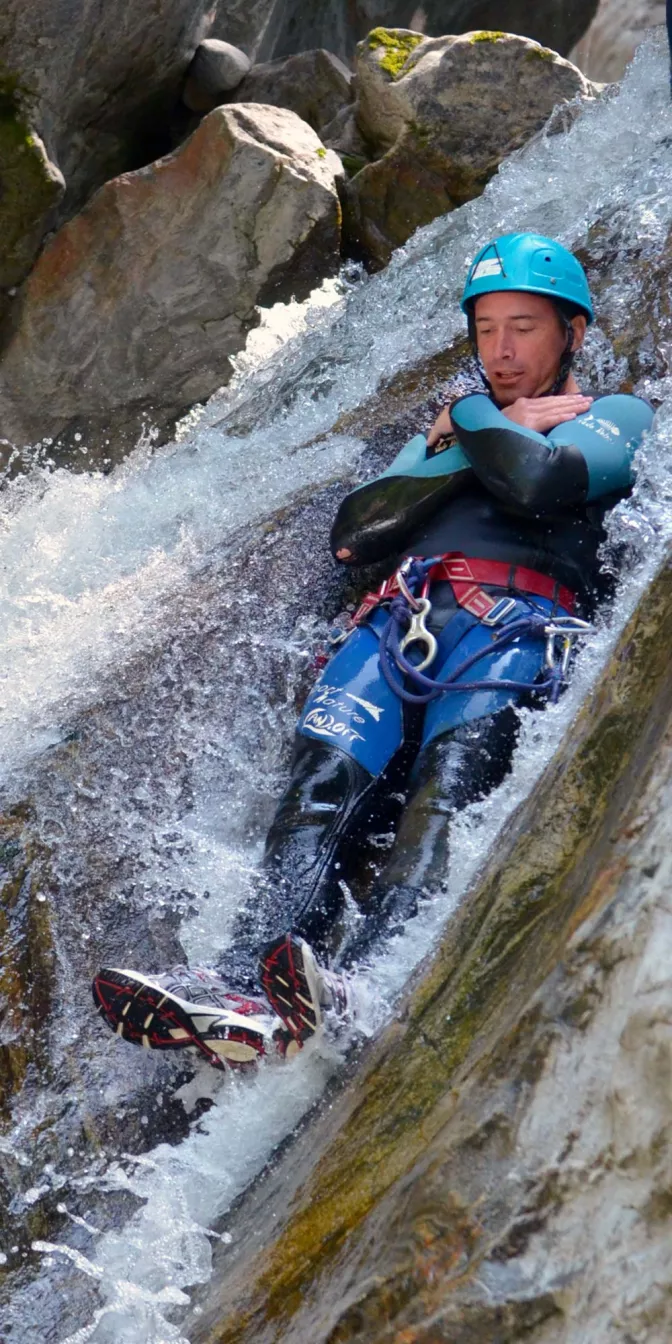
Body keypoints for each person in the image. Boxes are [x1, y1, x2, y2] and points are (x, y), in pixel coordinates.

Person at [93, 233, 653, 1073]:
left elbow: (542, 483)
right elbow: (357, 536)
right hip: (400, 619)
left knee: (444, 799)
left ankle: (365, 983)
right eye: (488, 329)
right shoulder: (461, 428)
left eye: (525, 328)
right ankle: (249, 982)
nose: (500, 351)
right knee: (316, 794)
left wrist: (464, 424)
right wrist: (480, 432)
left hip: (514, 629)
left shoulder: (616, 414)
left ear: (572, 332)